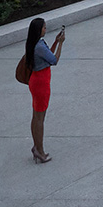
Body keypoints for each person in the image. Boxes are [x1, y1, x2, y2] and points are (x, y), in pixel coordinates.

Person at [23, 16, 64, 163]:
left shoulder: (34, 43)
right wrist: (61, 44)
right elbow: (54, 60)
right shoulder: (39, 46)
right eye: (44, 27)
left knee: (36, 116)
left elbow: (46, 55)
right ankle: (40, 150)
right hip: (41, 83)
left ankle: (36, 147)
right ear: (38, 30)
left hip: (36, 81)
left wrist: (55, 41)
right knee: (40, 118)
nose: (45, 29)